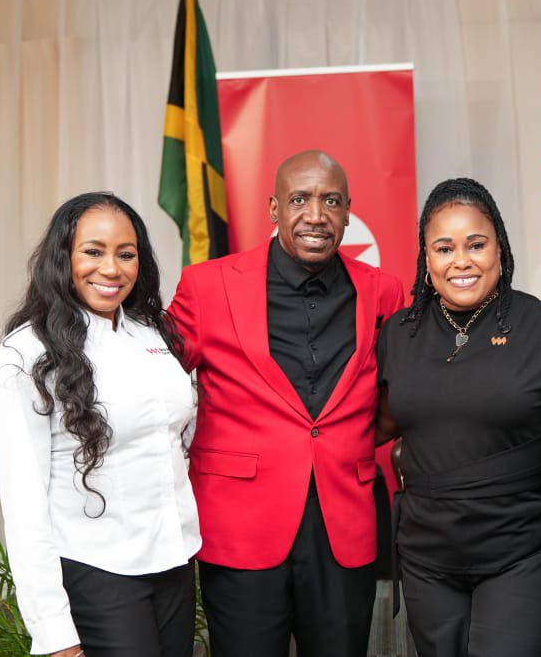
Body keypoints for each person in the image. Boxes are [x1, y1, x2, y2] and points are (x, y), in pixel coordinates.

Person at [168, 150, 404, 657]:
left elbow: (402, 393)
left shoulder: (383, 291)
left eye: (331, 201)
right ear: (274, 208)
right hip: (240, 526)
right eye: (300, 199)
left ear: (348, 212)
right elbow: (151, 381)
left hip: (344, 525)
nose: (315, 215)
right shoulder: (207, 287)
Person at [0, 193, 200, 656]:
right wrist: (54, 634)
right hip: (99, 570)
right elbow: (23, 504)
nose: (112, 269)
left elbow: (177, 436)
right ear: (63, 257)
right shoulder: (25, 355)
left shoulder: (154, 335)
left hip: (174, 559)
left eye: (126, 254)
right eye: (93, 251)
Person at [375, 178, 541, 657]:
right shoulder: (398, 335)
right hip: (427, 554)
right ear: (426, 260)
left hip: (524, 550)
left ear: (500, 250)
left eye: (475, 245)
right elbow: (379, 423)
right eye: (443, 248)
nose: (460, 261)